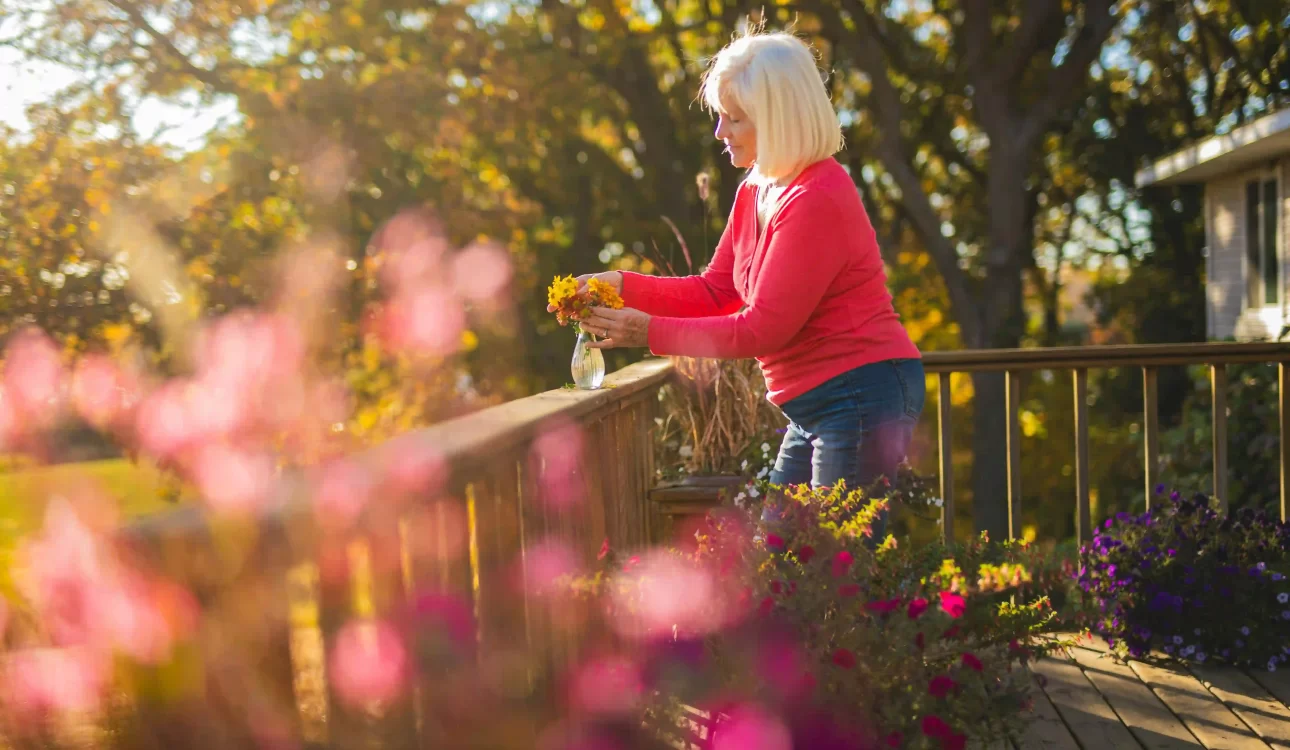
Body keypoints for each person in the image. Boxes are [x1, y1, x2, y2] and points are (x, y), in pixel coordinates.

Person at [554, 30, 924, 538]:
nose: (719, 132)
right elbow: (716, 290)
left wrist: (649, 332)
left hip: (858, 395)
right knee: (784, 569)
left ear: (777, 118)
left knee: (836, 579)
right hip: (816, 405)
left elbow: (762, 329)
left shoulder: (816, 196)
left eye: (734, 117)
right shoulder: (757, 189)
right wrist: (620, 284)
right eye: (720, 115)